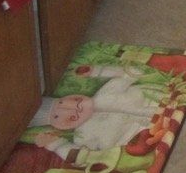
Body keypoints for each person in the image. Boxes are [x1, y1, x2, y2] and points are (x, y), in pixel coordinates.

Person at [31, 64, 164, 163]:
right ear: (58, 126)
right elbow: (82, 158)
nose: (70, 109)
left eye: (62, 103)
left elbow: (132, 73)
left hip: (161, 100)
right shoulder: (83, 136)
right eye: (57, 116)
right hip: (147, 136)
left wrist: (97, 71)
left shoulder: (104, 94)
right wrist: (55, 144)